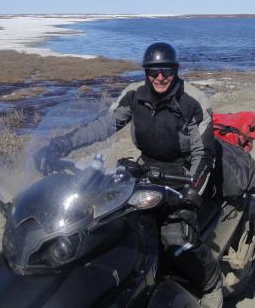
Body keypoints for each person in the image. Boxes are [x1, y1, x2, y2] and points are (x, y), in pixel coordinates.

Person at [35, 42, 224, 308]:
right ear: (146, 72)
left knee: (176, 236)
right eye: (153, 71)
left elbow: (204, 153)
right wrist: (62, 144)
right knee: (106, 219)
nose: (160, 77)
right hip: (145, 167)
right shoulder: (134, 95)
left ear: (175, 70)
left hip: (183, 173)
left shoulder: (194, 102)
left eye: (166, 71)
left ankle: (211, 284)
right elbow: (103, 125)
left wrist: (192, 192)